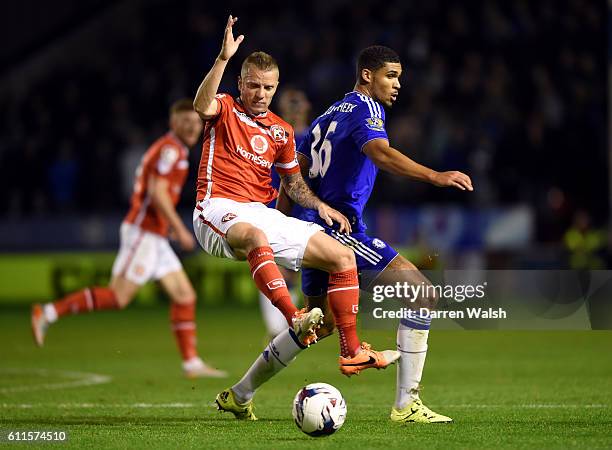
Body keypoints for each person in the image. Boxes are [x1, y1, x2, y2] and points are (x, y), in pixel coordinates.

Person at [191, 16, 399, 420]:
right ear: (241, 84)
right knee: (254, 236)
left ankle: (351, 351)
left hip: (262, 213)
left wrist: (320, 207)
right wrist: (222, 58)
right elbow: (201, 104)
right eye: (254, 85)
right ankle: (294, 316)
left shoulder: (283, 131)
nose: (261, 94)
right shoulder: (225, 110)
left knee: (342, 257)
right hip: (216, 207)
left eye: (269, 87)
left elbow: (294, 185)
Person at [278, 45, 475, 423]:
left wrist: (279, 230)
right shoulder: (367, 109)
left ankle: (242, 392)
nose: (398, 84)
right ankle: (407, 405)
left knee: (315, 322)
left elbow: (292, 180)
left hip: (309, 234)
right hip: (341, 231)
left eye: (399, 76)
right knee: (423, 295)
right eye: (391, 75)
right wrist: (435, 175)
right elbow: (381, 154)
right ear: (367, 75)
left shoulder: (325, 116)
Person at [31, 99, 227, 379]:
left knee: (185, 295)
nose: (192, 127)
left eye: (196, 123)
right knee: (119, 297)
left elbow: (157, 195)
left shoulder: (175, 151)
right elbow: (157, 193)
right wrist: (180, 228)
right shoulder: (171, 150)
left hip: (156, 234)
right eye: (185, 122)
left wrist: (167, 225)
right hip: (143, 233)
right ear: (173, 123)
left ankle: (191, 363)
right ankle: (48, 312)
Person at [258, 88, 312, 339]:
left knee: (306, 268)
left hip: (307, 210)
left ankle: (297, 322)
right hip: (274, 208)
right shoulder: (271, 133)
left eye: (297, 101)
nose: (294, 106)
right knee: (277, 266)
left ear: (307, 106)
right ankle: (276, 329)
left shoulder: (313, 137)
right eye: (289, 103)